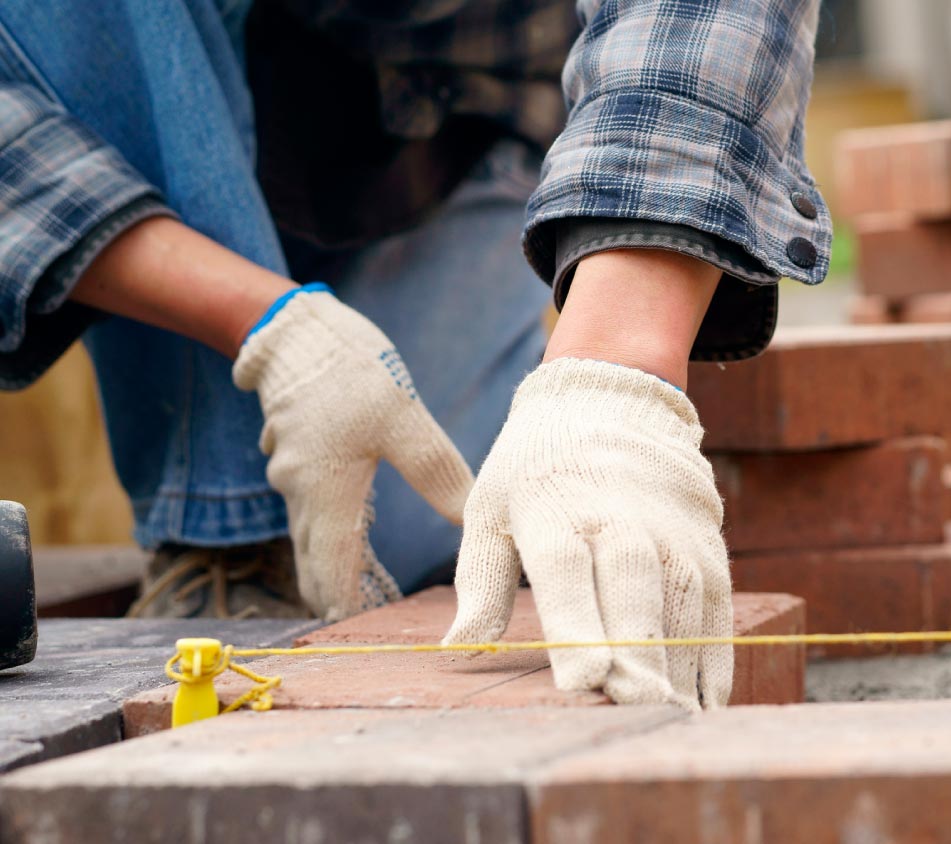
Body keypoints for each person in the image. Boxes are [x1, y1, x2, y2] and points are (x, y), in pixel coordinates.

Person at [0, 0, 828, 709]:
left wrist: (614, 369)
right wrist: (266, 323)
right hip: (155, 121)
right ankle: (224, 535)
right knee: (296, 568)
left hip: (452, 127)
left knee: (409, 553)